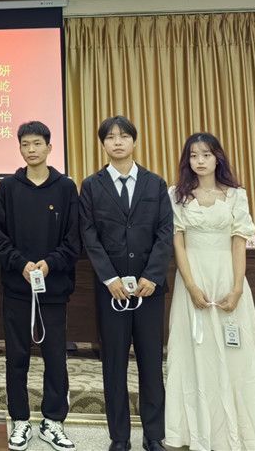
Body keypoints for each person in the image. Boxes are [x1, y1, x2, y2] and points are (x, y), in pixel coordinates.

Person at [164, 133, 255, 451]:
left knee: (235, 355)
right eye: (193, 155)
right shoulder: (176, 195)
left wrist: (237, 287)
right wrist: (190, 285)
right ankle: (194, 432)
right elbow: (177, 243)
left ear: (217, 158)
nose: (199, 161)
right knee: (193, 352)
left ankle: (238, 433)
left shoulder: (236, 195)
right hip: (192, 279)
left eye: (206, 154)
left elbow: (239, 242)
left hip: (228, 277)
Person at [79, 116, 172, 451]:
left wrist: (152, 276)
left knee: (151, 363)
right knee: (114, 365)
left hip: (149, 290)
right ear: (103, 143)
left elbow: (165, 232)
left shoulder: (155, 184)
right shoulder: (91, 186)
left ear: (134, 141)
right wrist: (110, 278)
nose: (117, 142)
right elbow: (89, 234)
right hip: (111, 291)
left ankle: (154, 435)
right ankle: (119, 437)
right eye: (110, 137)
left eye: (123, 136)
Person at [0, 121, 79, 451]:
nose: (31, 150)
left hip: (53, 289)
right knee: (16, 358)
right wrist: (21, 264)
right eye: (25, 144)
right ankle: (20, 420)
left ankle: (53, 421)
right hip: (17, 287)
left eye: (37, 144)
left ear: (49, 147)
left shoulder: (66, 188)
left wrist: (49, 263)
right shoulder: (9, 188)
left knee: (55, 358)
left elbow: (73, 239)